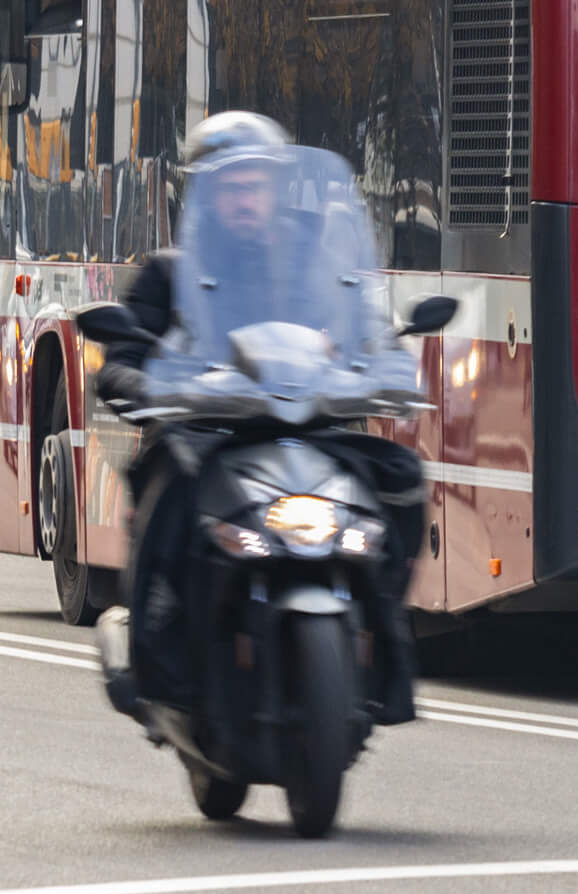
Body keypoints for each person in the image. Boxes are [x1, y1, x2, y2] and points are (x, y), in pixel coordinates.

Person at [94, 112, 423, 724]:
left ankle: (385, 635)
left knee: (401, 475)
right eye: (229, 186)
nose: (244, 197)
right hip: (206, 433)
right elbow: (122, 359)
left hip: (309, 426)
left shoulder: (316, 260)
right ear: (202, 193)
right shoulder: (169, 271)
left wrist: (390, 370)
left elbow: (369, 331)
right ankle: (154, 653)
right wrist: (143, 386)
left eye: (256, 183)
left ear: (276, 187)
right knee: (169, 486)